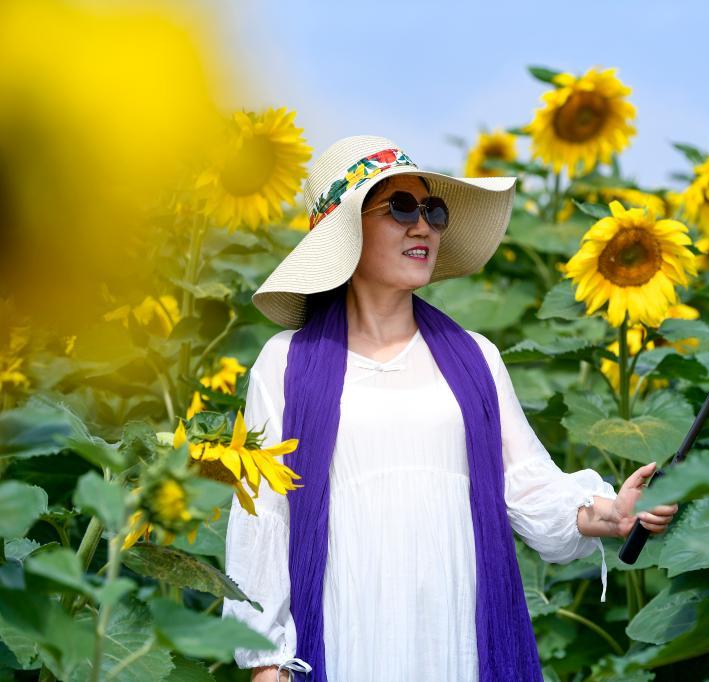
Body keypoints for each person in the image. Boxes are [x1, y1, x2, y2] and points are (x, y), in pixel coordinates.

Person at [221, 135, 679, 682]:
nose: (425, 227)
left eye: (433, 211)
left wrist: (609, 513)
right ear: (344, 231)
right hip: (346, 634)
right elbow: (261, 520)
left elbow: (527, 485)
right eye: (401, 207)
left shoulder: (475, 358)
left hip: (460, 636)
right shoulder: (285, 364)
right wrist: (266, 663)